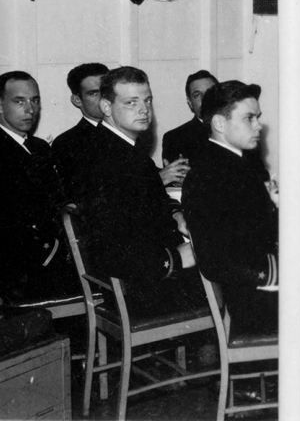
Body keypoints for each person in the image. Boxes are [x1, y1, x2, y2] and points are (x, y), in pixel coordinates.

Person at [81, 66, 203, 318]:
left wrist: (177, 216)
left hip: (143, 273)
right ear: (106, 107)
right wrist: (174, 259)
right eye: (131, 102)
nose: (144, 109)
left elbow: (150, 204)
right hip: (138, 287)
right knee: (233, 279)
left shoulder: (123, 149)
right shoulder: (107, 159)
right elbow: (112, 247)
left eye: (147, 100)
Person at [182, 81, 278, 336]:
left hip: (253, 287)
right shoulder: (220, 174)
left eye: (257, 117)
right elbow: (218, 259)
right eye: (249, 118)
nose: (258, 125)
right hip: (255, 300)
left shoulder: (227, 165)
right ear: (219, 124)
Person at [0, 71, 77, 301]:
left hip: (52, 256)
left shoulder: (39, 147)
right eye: (19, 101)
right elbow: (10, 227)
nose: (30, 109)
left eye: (35, 100)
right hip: (27, 271)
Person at [51, 62, 109, 204]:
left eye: (106, 90)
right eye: (94, 93)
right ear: (77, 100)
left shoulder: (128, 131)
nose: (103, 98)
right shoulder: (66, 143)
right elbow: (85, 193)